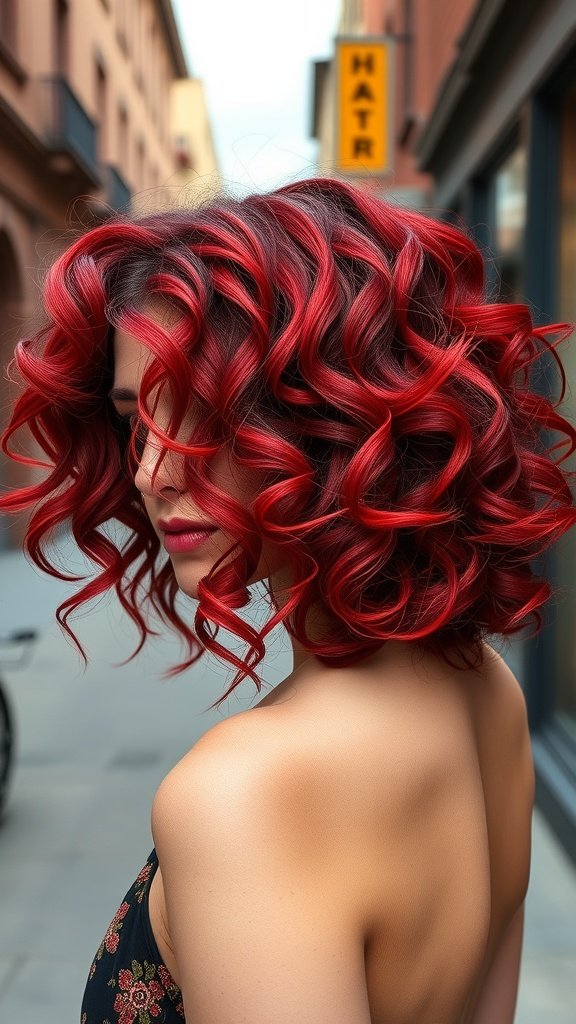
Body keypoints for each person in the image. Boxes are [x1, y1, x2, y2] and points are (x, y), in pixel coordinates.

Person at [1, 177, 575, 1024]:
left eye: (210, 414)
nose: (154, 472)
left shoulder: (245, 795)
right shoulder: (488, 690)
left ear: (341, 421)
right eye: (137, 420)